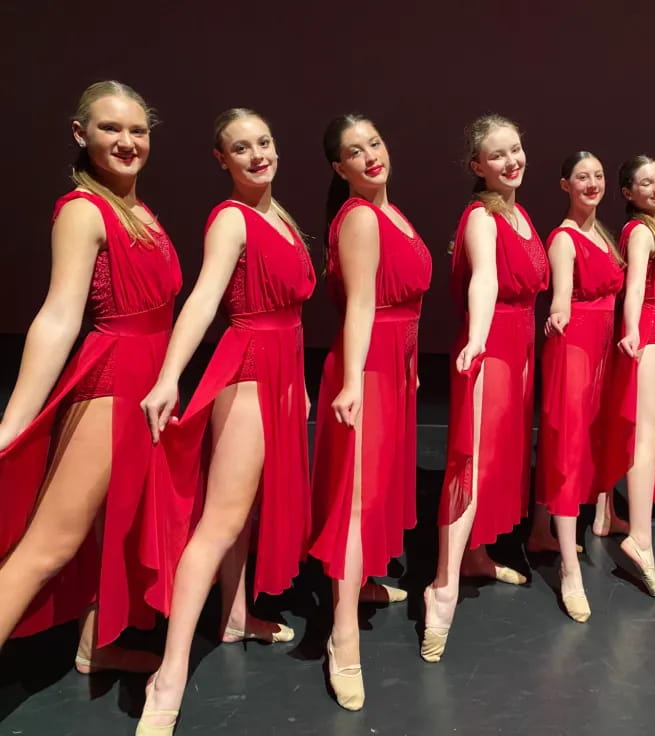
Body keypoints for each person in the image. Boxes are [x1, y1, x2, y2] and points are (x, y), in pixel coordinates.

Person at [136, 108, 315, 735]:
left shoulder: (279, 216)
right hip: (247, 369)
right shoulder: (233, 220)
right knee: (220, 521)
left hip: (283, 370)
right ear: (222, 160)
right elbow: (205, 299)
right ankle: (170, 671)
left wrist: (299, 390)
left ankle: (236, 615)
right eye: (241, 148)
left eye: (264, 141)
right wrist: (168, 377)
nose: (258, 154)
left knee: (246, 512)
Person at [0, 81, 180, 673]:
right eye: (110, 129)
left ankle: (93, 650)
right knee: (48, 545)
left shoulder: (140, 209)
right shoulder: (84, 209)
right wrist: (14, 423)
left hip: (149, 381)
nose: (127, 142)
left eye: (137, 130)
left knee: (117, 527)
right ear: (81, 135)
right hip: (111, 381)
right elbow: (57, 317)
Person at [308, 114, 432, 710]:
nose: (370, 156)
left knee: (375, 487)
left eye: (375, 143)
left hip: (394, 365)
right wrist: (355, 381)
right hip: (368, 367)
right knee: (355, 498)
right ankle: (342, 633)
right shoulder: (359, 217)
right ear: (340, 168)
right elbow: (359, 306)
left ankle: (360, 586)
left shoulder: (392, 211)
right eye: (355, 152)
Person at [422, 114, 548, 662]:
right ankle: (442, 584)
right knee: (471, 464)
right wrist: (476, 338)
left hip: (519, 348)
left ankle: (476, 554)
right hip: (490, 346)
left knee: (498, 461)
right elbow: (485, 279)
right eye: (497, 155)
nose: (510, 161)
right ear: (477, 167)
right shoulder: (481, 216)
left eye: (515, 150)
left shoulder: (522, 215)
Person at [533, 151, 624, 621]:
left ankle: (539, 529)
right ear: (565, 184)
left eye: (599, 176)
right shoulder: (565, 238)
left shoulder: (601, 233)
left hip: (603, 349)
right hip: (575, 349)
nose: (592, 183)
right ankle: (570, 569)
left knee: (575, 443)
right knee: (568, 447)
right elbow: (562, 294)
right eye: (582, 177)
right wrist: (559, 312)